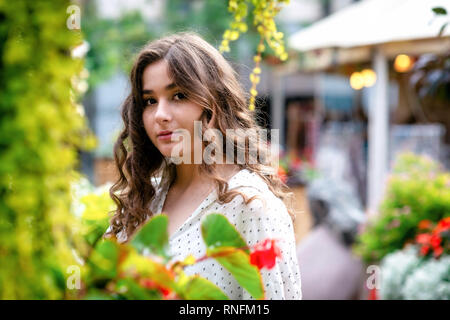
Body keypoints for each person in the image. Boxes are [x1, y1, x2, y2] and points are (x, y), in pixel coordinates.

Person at [105, 32, 302, 300]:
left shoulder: (251, 205)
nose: (160, 114)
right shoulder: (144, 199)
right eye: (150, 101)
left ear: (213, 103)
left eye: (178, 96)